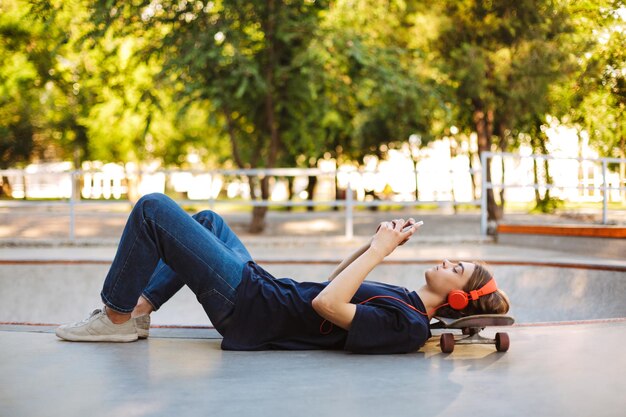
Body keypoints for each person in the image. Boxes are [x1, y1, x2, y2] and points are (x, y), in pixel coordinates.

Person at [56, 193, 510, 353]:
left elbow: (325, 305)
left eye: (458, 269)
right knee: (210, 220)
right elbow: (337, 281)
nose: (448, 262)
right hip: (262, 288)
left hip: (251, 308)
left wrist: (377, 252)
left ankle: (115, 317)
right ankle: (137, 312)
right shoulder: (405, 300)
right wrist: (374, 246)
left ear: (457, 299)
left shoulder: (407, 326)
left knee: (153, 210)